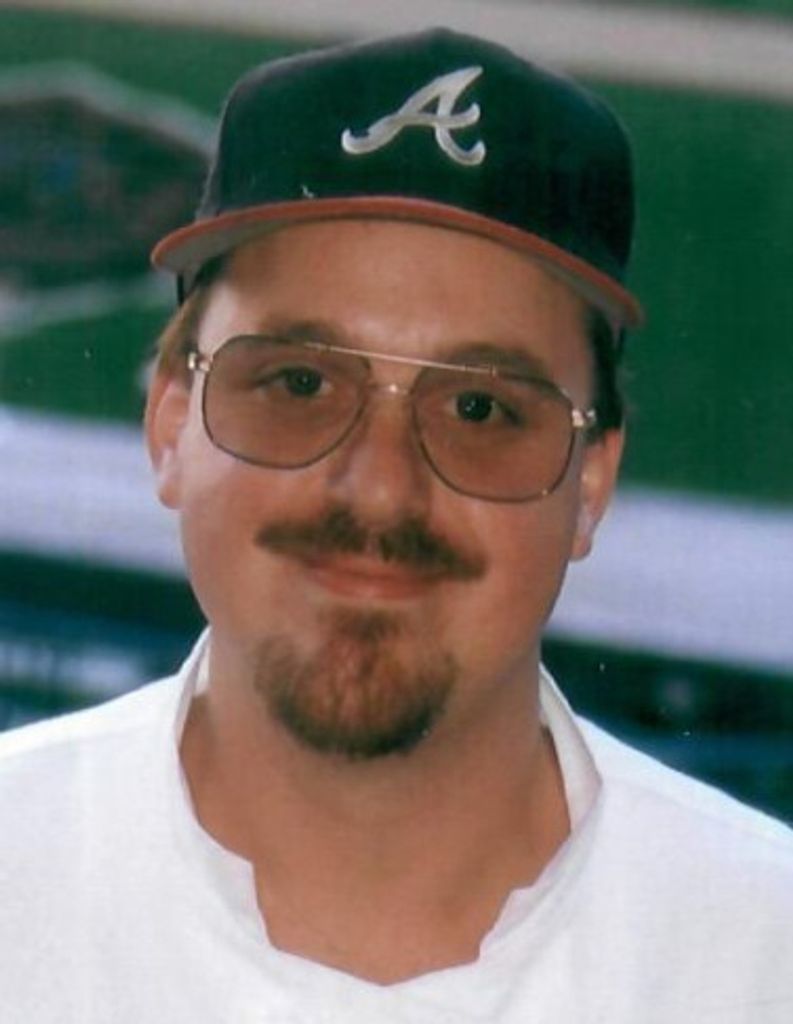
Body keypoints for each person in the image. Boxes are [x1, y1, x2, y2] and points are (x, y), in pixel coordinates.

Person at [1, 28, 791, 1023]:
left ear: (590, 480)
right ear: (169, 422)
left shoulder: (760, 957)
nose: (378, 491)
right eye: (298, 383)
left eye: (479, 409)